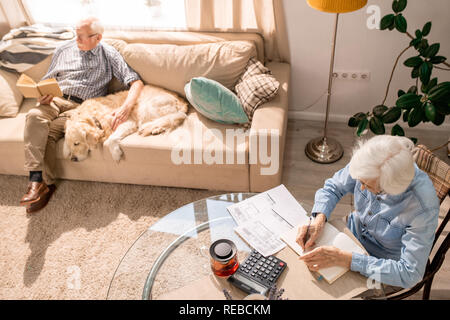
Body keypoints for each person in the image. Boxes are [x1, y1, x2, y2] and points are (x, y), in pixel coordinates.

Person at [20, 17, 144, 213]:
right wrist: (40, 96)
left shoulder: (108, 54)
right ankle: (35, 181)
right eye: (75, 34)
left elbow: (135, 82)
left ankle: (47, 185)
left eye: (81, 37)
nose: (75, 39)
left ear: (97, 37)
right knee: (35, 115)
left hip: (81, 108)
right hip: (56, 98)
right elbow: (47, 79)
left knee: (50, 133)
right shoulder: (63, 49)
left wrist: (126, 107)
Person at [296, 135, 439, 294]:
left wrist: (348, 260)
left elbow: (410, 274)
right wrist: (319, 219)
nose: (361, 188)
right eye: (360, 181)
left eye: (367, 185)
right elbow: (334, 187)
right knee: (299, 274)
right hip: (351, 232)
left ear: (389, 189)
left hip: (383, 265)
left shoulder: (423, 207)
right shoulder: (372, 159)